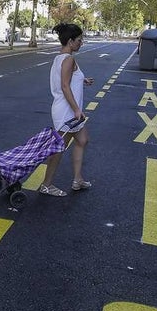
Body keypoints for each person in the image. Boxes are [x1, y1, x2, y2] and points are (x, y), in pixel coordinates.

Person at [39, 23, 94, 197]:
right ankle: (46, 185)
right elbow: (64, 85)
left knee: (82, 140)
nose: (81, 43)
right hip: (67, 111)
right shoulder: (68, 59)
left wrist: (82, 80)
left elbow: (67, 79)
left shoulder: (60, 58)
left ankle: (77, 179)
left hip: (67, 109)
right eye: (79, 40)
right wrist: (77, 109)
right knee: (58, 148)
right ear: (70, 41)